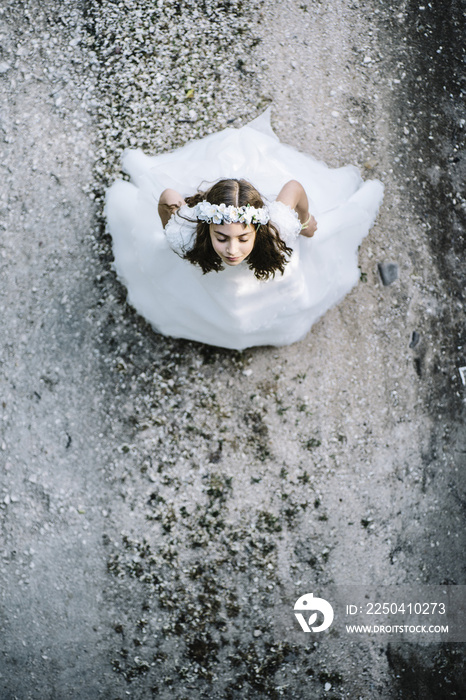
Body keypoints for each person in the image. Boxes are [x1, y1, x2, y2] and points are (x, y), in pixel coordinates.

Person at [105, 109, 383, 350]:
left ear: (257, 230)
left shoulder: (276, 227)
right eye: (222, 237)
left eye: (243, 238)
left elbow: (294, 188)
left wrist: (306, 220)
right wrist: (170, 228)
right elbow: (167, 197)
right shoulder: (186, 233)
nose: (232, 250)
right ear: (207, 228)